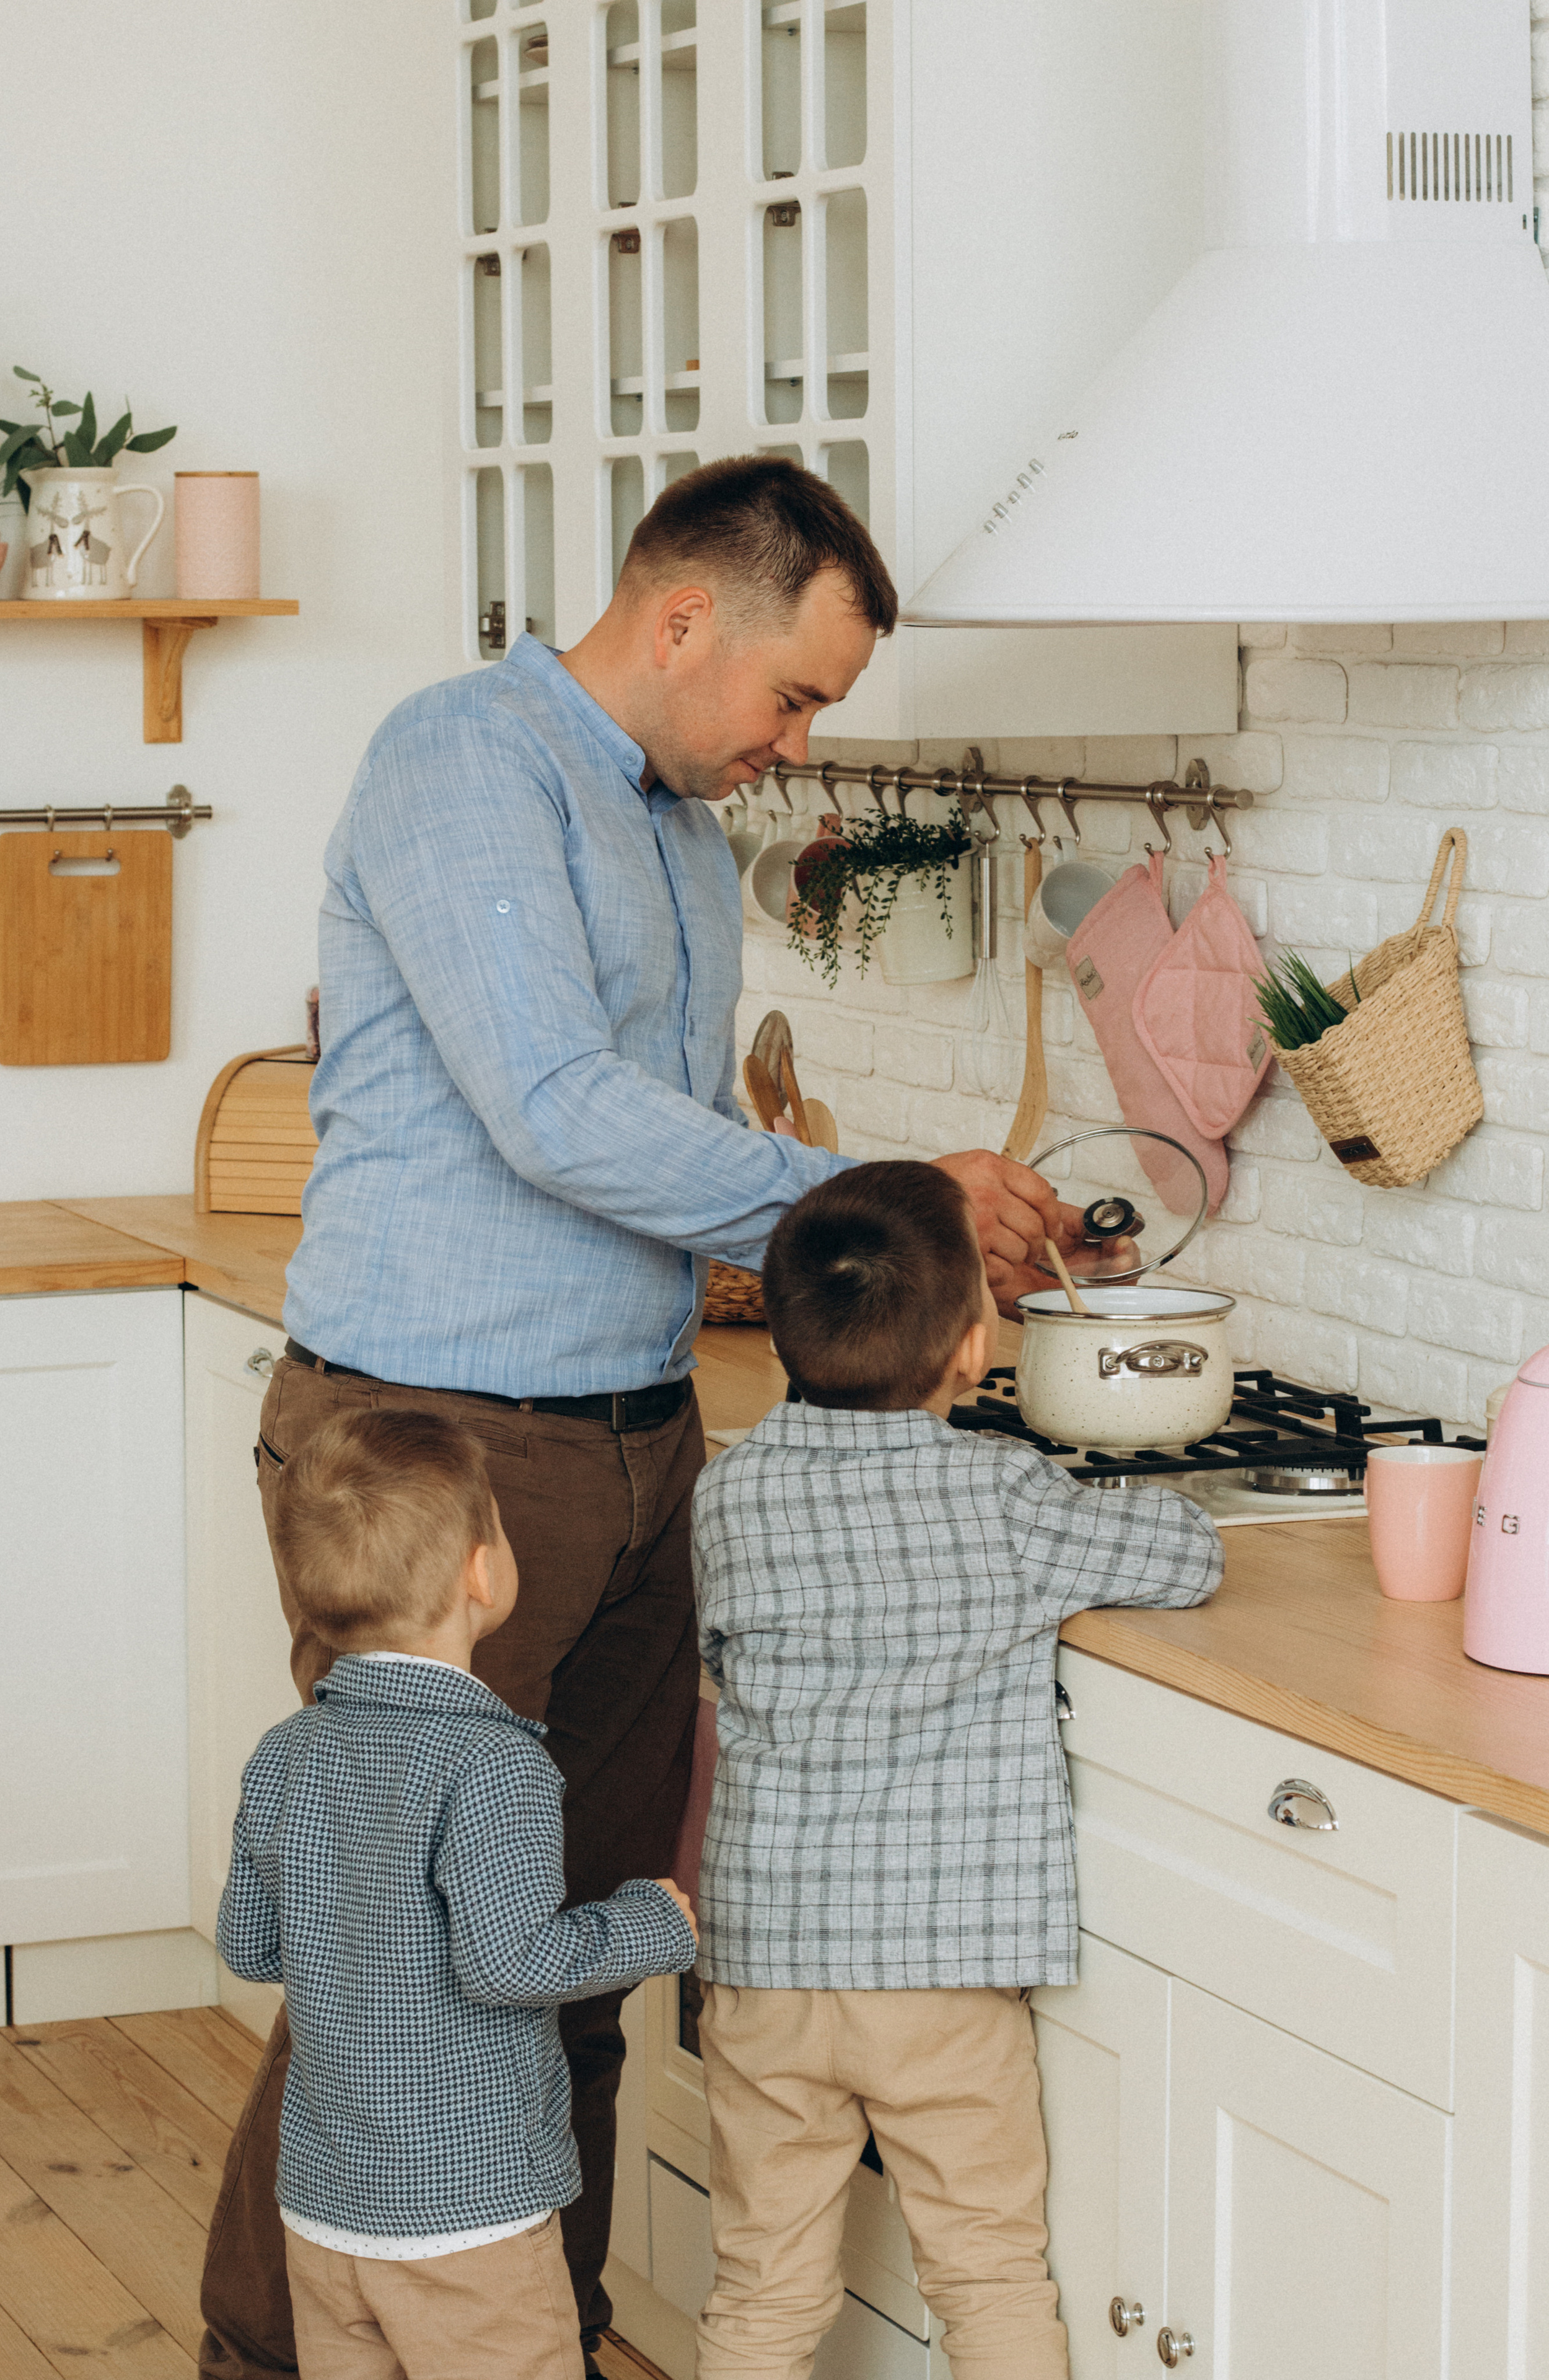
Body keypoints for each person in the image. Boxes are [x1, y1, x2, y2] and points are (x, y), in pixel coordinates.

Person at [199, 456, 1108, 2380]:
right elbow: (553, 1110)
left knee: (582, 1957)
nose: (793, 745)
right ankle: (266, 2363)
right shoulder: (465, 762)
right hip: (436, 1443)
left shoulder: (686, 829)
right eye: (793, 696)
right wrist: (888, 1202)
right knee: (395, 1980)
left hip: (630, 1441)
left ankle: (537, 2337)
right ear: (684, 619)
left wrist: (886, 1239)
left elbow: (677, 1148)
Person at [690, 1162, 1225, 2380]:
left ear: (776, 1327)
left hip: (767, 1964)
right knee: (983, 2267)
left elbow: (716, 1655)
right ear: (976, 1343)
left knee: (763, 2280)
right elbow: (1183, 1558)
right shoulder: (1004, 1499)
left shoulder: (725, 1495)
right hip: (935, 1968)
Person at [217, 1405, 699, 2380]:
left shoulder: (286, 1753)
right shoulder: (495, 1764)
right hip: (467, 2216)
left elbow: (250, 1945)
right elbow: (509, 1963)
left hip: (326, 2208)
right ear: (484, 1572)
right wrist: (653, 1921)